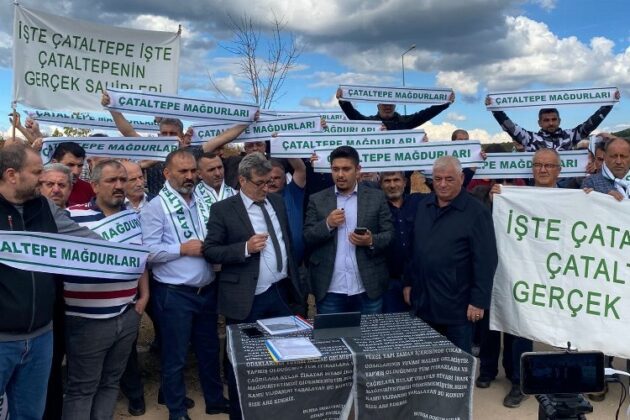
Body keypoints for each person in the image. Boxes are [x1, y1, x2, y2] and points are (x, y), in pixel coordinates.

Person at [202, 152, 307, 420]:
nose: (265, 188)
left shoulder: (277, 202)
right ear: (242, 180)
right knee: (243, 362)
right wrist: (245, 248)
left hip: (281, 293)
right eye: (259, 183)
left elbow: (286, 242)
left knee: (284, 357)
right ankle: (241, 414)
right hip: (247, 299)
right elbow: (211, 250)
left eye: (269, 182)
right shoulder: (224, 209)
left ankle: (277, 411)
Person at [0, 144, 100, 420]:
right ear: (12, 175)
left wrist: (130, 256)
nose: (42, 178)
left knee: (30, 414)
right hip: (2, 341)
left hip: (41, 337)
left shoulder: (45, 207)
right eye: (36, 173)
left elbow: (84, 239)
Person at [140, 149, 228, 420]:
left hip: (207, 289)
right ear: (167, 173)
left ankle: (215, 400)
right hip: (175, 293)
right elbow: (148, 252)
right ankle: (177, 411)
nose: (190, 176)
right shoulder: (156, 206)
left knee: (209, 350)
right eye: (183, 171)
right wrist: (181, 249)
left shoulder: (202, 199)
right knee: (175, 355)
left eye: (192, 170)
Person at [62, 159, 149, 420]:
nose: (119, 185)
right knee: (82, 388)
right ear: (95, 185)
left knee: (111, 382)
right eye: (111, 180)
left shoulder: (133, 216)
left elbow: (140, 258)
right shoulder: (72, 216)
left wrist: (144, 296)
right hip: (87, 321)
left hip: (127, 315)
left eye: (123, 180)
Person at [478, 149, 564, 408]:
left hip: (544, 273)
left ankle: (519, 381)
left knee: (522, 327)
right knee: (495, 319)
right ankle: (489, 369)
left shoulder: (570, 198)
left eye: (549, 165)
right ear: (532, 169)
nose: (543, 170)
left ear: (559, 170)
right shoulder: (516, 196)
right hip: (510, 266)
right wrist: (496, 200)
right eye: (538, 165)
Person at [403, 156, 498, 354]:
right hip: (424, 303)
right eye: (438, 179)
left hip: (457, 309)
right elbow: (414, 250)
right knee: (427, 362)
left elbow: (486, 260)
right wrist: (408, 282)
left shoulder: (477, 212)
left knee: (458, 364)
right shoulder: (424, 206)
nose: (443, 184)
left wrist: (478, 301)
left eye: (449, 179)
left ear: (461, 178)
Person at [101, 91, 255, 195]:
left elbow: (223, 138)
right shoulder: (151, 152)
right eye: (164, 133)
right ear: (158, 135)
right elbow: (128, 132)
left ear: (181, 136)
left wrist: (248, 120)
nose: (168, 137)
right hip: (158, 211)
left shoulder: (193, 152)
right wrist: (112, 108)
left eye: (172, 134)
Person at [304, 146, 393, 314]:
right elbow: (308, 236)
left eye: (346, 169)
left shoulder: (376, 197)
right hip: (330, 287)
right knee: (332, 331)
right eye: (335, 169)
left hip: (368, 286)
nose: (340, 174)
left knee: (369, 331)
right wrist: (328, 224)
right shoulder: (317, 199)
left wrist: (371, 240)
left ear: (358, 170)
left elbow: (389, 235)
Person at [486, 92, 619, 151]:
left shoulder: (570, 136)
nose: (551, 123)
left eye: (554, 119)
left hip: (565, 186)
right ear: (539, 123)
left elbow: (590, 125)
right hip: (538, 187)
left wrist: (609, 104)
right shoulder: (530, 138)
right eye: (546, 120)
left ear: (559, 120)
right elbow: (510, 127)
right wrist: (495, 109)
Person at [379, 171, 426, 313]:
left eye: (396, 180)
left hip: (419, 280)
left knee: (422, 324)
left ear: (405, 182)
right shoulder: (374, 207)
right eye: (387, 181)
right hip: (388, 282)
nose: (392, 185)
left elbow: (448, 191)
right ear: (380, 184)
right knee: (392, 324)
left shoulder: (420, 202)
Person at [336, 88, 455, 130]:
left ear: (395, 105)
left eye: (390, 104)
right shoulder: (370, 123)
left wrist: (444, 103)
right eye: (384, 104)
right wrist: (344, 101)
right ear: (377, 105)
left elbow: (426, 114)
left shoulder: (405, 122)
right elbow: (354, 116)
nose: (387, 107)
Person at [266, 158, 307, 263]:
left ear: (284, 179)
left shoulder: (293, 192)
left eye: (276, 178)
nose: (272, 181)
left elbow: (300, 168)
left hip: (296, 263)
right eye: (268, 178)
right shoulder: (257, 198)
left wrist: (285, 149)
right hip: (270, 264)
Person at [582, 136, 630, 201]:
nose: (618, 161)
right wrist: (603, 198)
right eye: (613, 156)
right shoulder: (591, 182)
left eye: (623, 157)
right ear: (605, 157)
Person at [51, 142, 95, 206]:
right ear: (54, 163)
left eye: (80, 165)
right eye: (70, 165)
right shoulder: (40, 189)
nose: (76, 172)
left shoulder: (88, 189)